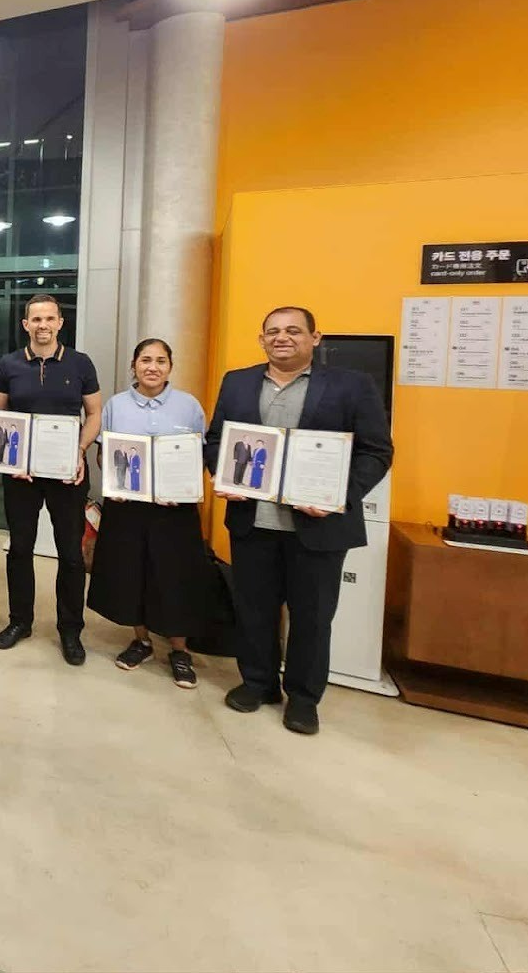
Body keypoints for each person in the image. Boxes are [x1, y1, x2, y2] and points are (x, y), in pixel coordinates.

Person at [205, 306, 393, 735]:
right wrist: (223, 473)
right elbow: (217, 439)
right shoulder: (239, 382)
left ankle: (304, 698)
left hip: (319, 525)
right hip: (254, 520)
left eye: (293, 331)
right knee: (254, 609)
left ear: (315, 337)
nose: (282, 338)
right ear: (262, 339)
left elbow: (377, 451)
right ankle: (258, 683)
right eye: (273, 331)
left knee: (312, 617)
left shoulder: (351, 386)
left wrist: (338, 497)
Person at [87, 338, 212, 689]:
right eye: (145, 360)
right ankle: (141, 640)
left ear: (170, 366)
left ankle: (179, 650)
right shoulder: (116, 405)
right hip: (127, 509)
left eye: (160, 360)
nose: (152, 367)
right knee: (130, 573)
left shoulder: (188, 406)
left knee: (175, 576)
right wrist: (115, 486)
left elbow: (198, 457)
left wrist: (182, 489)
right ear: (134, 365)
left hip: (174, 511)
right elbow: (104, 455)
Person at [0, 294, 102, 665]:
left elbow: (95, 413)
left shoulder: (80, 363)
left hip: (66, 474)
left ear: (59, 323)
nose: (42, 325)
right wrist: (9, 460)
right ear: (25, 325)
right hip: (21, 475)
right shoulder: (8, 365)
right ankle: (19, 621)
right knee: (20, 548)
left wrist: (80, 449)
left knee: (70, 552)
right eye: (35, 319)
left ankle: (70, 630)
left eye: (49, 319)